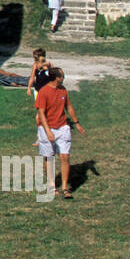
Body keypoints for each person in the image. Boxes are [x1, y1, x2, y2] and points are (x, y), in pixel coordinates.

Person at [35, 67, 84, 198]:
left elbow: (68, 106)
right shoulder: (44, 92)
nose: (64, 78)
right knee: (49, 158)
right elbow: (41, 114)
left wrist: (76, 123)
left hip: (63, 127)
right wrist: (48, 132)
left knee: (65, 157)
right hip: (47, 128)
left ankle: (64, 188)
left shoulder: (63, 90)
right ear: (57, 78)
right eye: (63, 75)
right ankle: (51, 185)